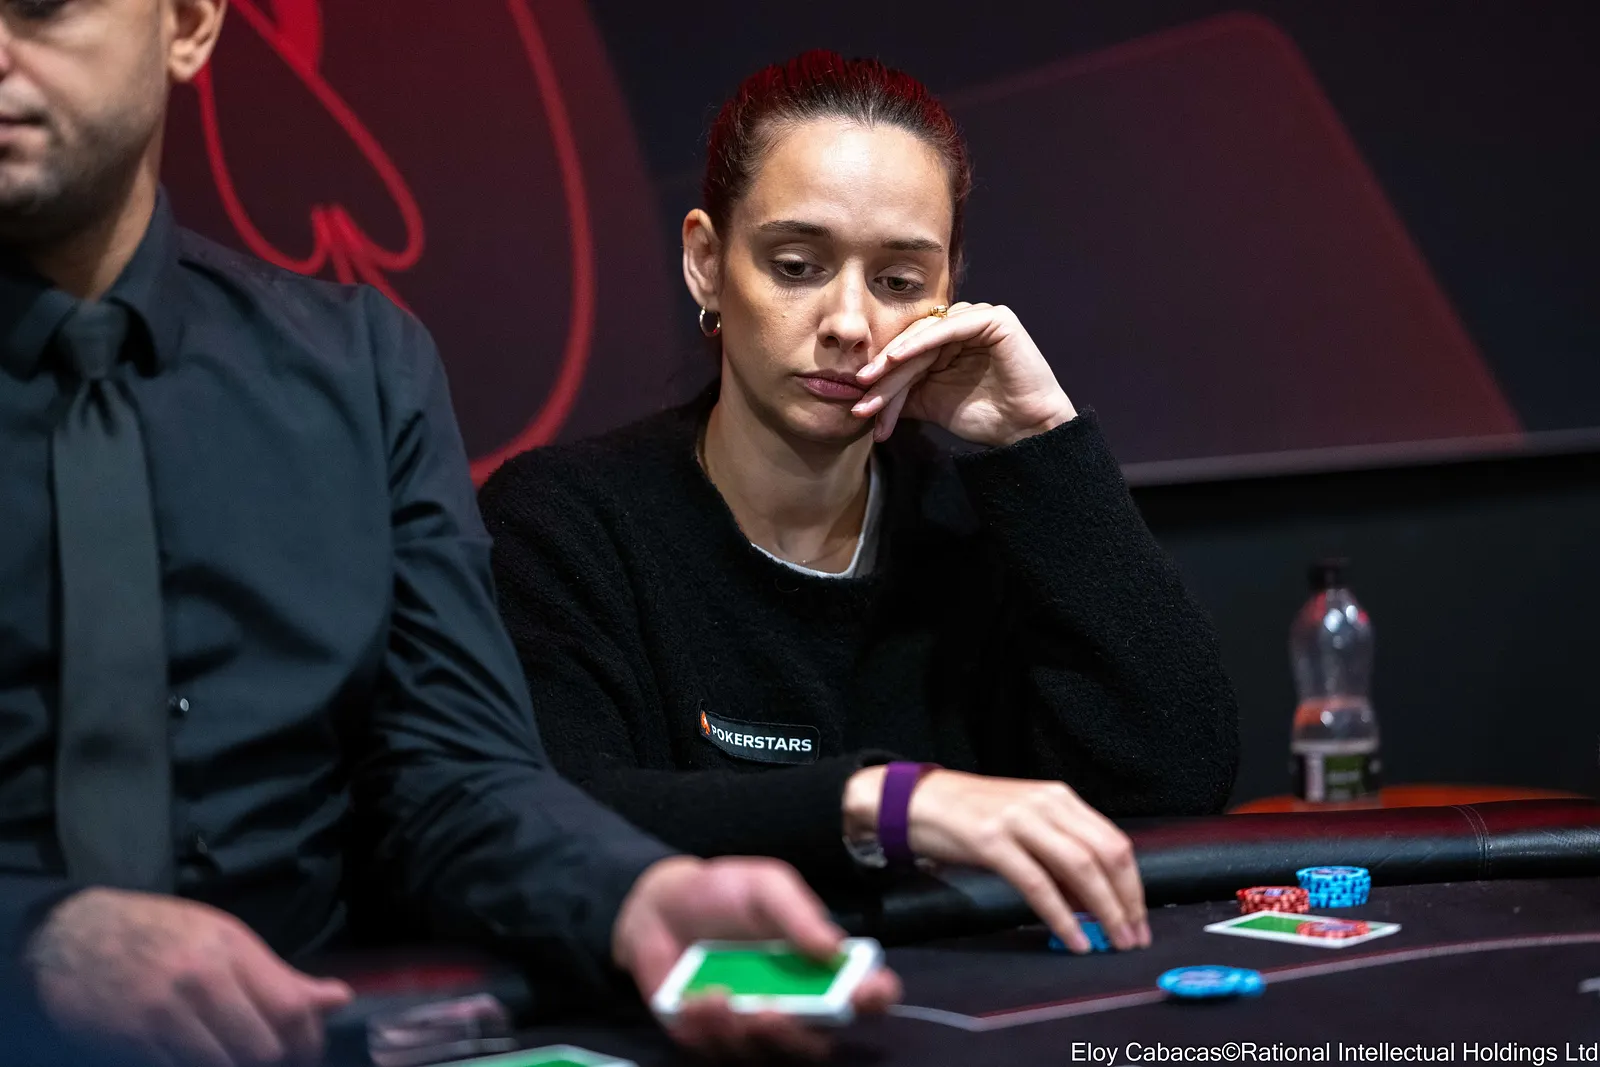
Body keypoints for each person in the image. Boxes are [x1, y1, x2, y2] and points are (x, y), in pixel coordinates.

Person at [0, 7, 896, 1065]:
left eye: (42, 5)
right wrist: (37, 941)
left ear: (189, 24)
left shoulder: (359, 369)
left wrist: (633, 894)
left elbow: (452, 776)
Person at [480, 50, 1241, 956]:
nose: (849, 322)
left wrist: (1042, 439)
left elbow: (1177, 783)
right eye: (797, 265)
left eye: (899, 282)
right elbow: (546, 811)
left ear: (948, 295)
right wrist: (885, 803)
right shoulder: (564, 520)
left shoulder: (976, 529)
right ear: (707, 263)